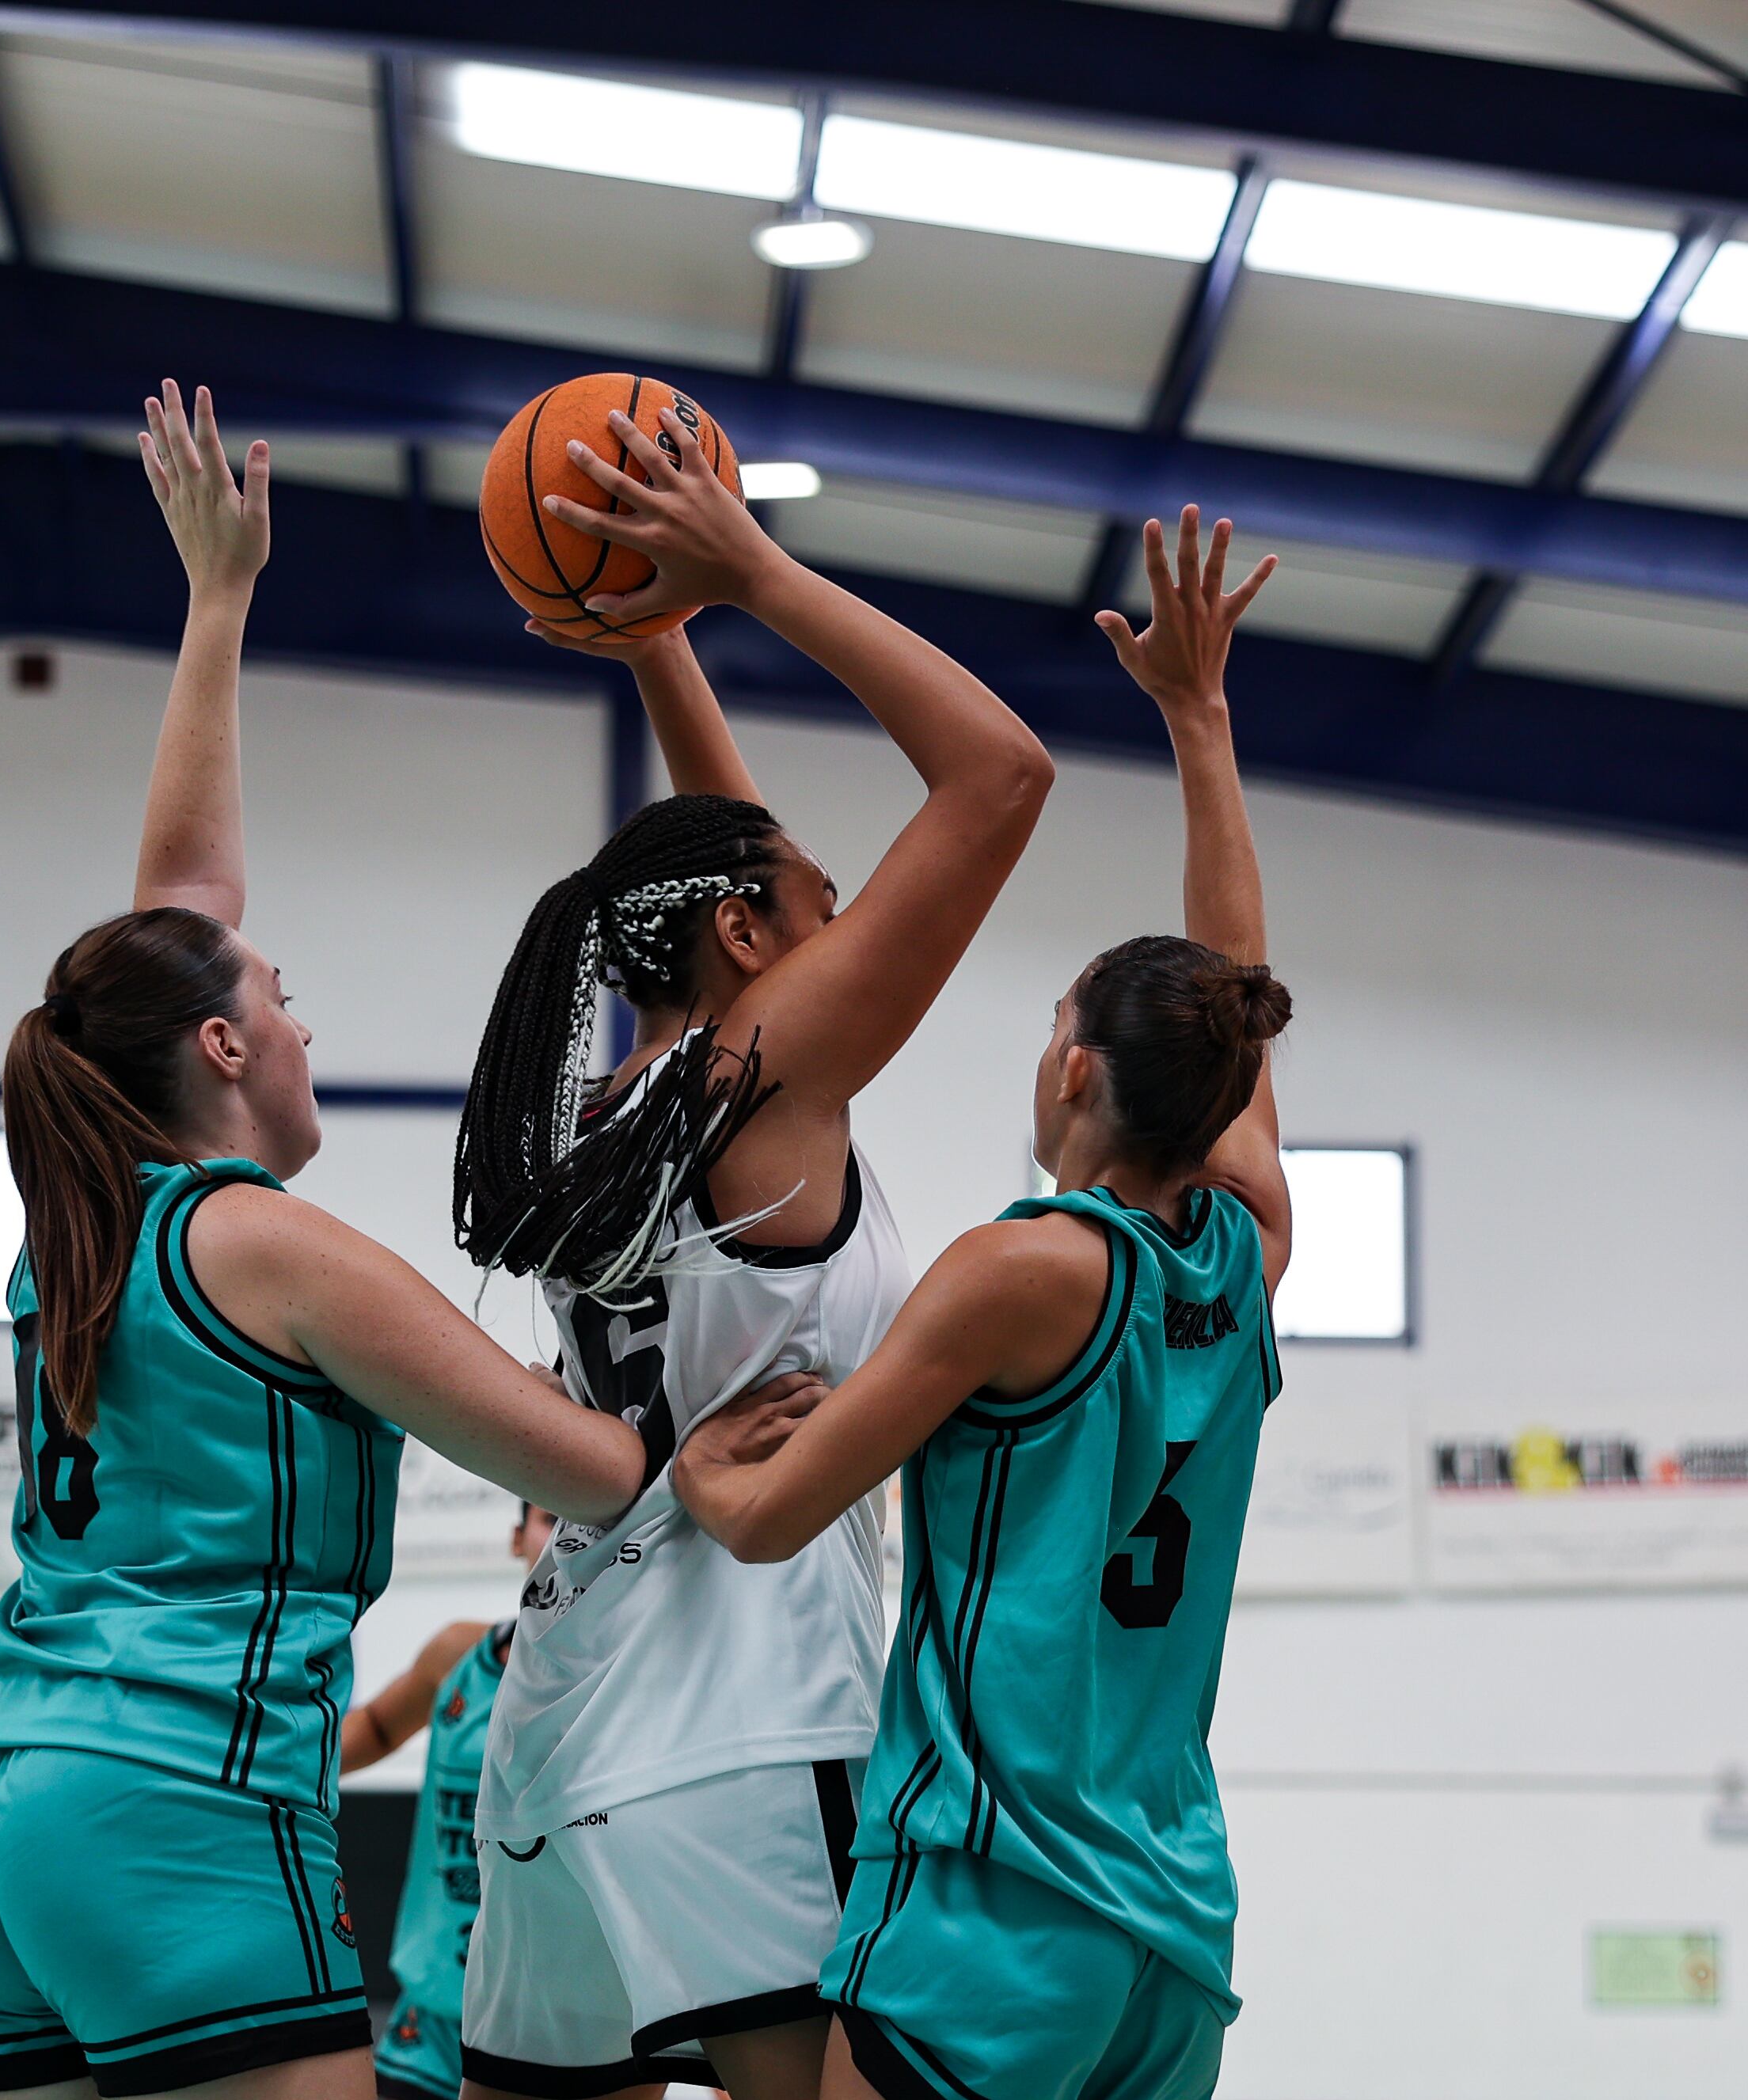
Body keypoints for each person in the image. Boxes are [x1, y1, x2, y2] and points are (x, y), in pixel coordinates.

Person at [0, 385, 737, 2100]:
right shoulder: (266, 1246)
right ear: (219, 1048)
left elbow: (180, 909)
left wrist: (217, 601)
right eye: (276, 996)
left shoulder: (77, 1227)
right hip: (176, 1793)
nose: (298, 1012)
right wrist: (725, 1414)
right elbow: (590, 1469)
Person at [450, 408, 1054, 2100]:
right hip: (744, 1732)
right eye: (825, 905)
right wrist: (754, 574)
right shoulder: (755, 1089)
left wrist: (659, 640)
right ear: (740, 936)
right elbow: (1001, 775)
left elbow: (733, 846)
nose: (848, 934)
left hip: (558, 1732)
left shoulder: (601, 1117)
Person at [671, 508, 1291, 2100]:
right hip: (1170, 1926)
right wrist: (1199, 720)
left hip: (991, 1903)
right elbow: (1234, 995)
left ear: (1072, 1069)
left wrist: (692, 1463)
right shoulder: (1246, 1253)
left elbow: (770, 1519)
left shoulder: (1021, 1271)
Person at [346, 1505, 659, 2100]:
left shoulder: (642, 1674)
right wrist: (248, 1770)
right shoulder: (457, 1654)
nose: (572, 1530)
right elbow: (377, 1728)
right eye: (550, 1515)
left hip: (568, 2021)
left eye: (593, 1517)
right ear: (517, 1538)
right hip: (434, 2017)